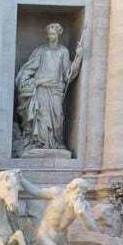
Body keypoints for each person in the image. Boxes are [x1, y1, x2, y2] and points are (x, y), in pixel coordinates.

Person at [14, 22, 83, 155]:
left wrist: (78, 57)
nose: (51, 36)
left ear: (58, 34)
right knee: (41, 116)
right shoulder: (41, 50)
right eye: (50, 34)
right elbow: (28, 68)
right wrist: (27, 81)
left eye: (54, 34)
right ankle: (40, 143)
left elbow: (68, 73)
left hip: (56, 88)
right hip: (41, 88)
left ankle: (56, 142)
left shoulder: (63, 51)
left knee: (58, 117)